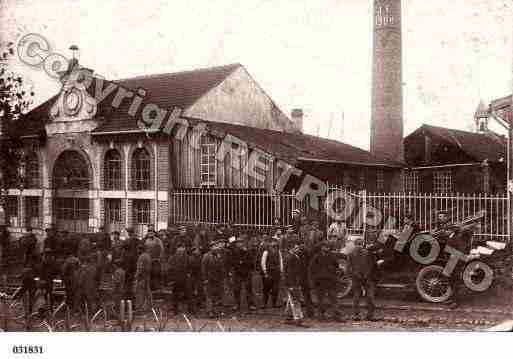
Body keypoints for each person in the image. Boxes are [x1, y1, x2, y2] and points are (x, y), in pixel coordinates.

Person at [308, 240, 343, 321]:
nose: (326, 248)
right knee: (320, 300)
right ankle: (321, 316)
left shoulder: (332, 256)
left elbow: (337, 267)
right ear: (321, 248)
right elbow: (311, 269)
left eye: (327, 247)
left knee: (334, 299)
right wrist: (312, 281)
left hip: (331, 281)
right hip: (320, 282)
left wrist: (337, 271)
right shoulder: (316, 257)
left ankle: (337, 316)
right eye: (324, 247)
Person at [347, 236, 377, 321]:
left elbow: (372, 265)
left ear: (363, 245)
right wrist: (355, 274)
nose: (359, 246)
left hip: (367, 278)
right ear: (354, 245)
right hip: (356, 279)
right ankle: (356, 315)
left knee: (370, 297)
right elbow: (349, 267)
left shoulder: (367, 254)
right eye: (357, 244)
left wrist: (367, 275)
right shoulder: (351, 254)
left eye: (360, 244)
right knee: (356, 297)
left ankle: (370, 315)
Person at [228, 235, 256, 312]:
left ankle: (251, 304)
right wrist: (238, 264)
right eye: (238, 243)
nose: (240, 244)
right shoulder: (233, 252)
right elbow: (231, 262)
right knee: (236, 289)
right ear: (236, 244)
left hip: (246, 272)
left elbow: (251, 262)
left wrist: (244, 263)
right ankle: (237, 304)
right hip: (237, 273)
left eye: (241, 242)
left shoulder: (248, 251)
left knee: (249, 289)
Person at [283, 243, 308, 327]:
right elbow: (289, 273)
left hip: (292, 282)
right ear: (291, 248)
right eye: (296, 248)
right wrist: (291, 285)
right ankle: (298, 319)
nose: (298, 249)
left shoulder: (292, 256)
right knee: (295, 301)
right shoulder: (291, 258)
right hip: (292, 283)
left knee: (291, 300)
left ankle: (288, 317)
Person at [202, 240, 226, 318]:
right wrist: (205, 279)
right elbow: (203, 268)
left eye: (216, 246)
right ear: (210, 248)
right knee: (209, 296)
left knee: (217, 295)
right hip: (209, 279)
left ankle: (215, 310)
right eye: (214, 246)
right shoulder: (206, 256)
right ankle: (210, 311)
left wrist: (222, 276)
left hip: (218, 279)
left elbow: (222, 267)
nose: (216, 248)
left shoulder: (219, 256)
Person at [167, 241, 192, 314]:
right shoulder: (187, 257)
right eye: (180, 248)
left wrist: (171, 279)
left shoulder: (173, 257)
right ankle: (190, 309)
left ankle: (175, 310)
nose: (181, 250)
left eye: (182, 248)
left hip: (178, 278)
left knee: (176, 295)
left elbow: (169, 268)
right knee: (187, 294)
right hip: (182, 278)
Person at [260, 237, 283, 309]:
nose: (274, 244)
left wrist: (281, 270)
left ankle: (274, 303)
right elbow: (263, 262)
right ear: (270, 243)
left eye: (275, 242)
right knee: (266, 288)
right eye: (272, 242)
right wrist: (265, 272)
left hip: (276, 272)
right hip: (268, 272)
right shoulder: (266, 251)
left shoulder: (278, 251)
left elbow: (280, 261)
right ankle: (264, 304)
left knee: (275, 288)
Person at [122, 228, 139, 300]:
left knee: (127, 280)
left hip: (128, 262)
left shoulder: (127, 241)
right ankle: (132, 294)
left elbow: (123, 247)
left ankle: (128, 295)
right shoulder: (137, 240)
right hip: (135, 261)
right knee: (133, 279)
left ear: (129, 233)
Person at [134, 244, 152, 311]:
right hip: (147, 275)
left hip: (142, 277)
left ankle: (140, 307)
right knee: (147, 291)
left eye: (138, 249)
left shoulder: (141, 257)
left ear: (140, 249)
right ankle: (149, 306)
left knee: (140, 292)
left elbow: (140, 268)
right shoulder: (148, 256)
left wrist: (136, 276)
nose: (137, 251)